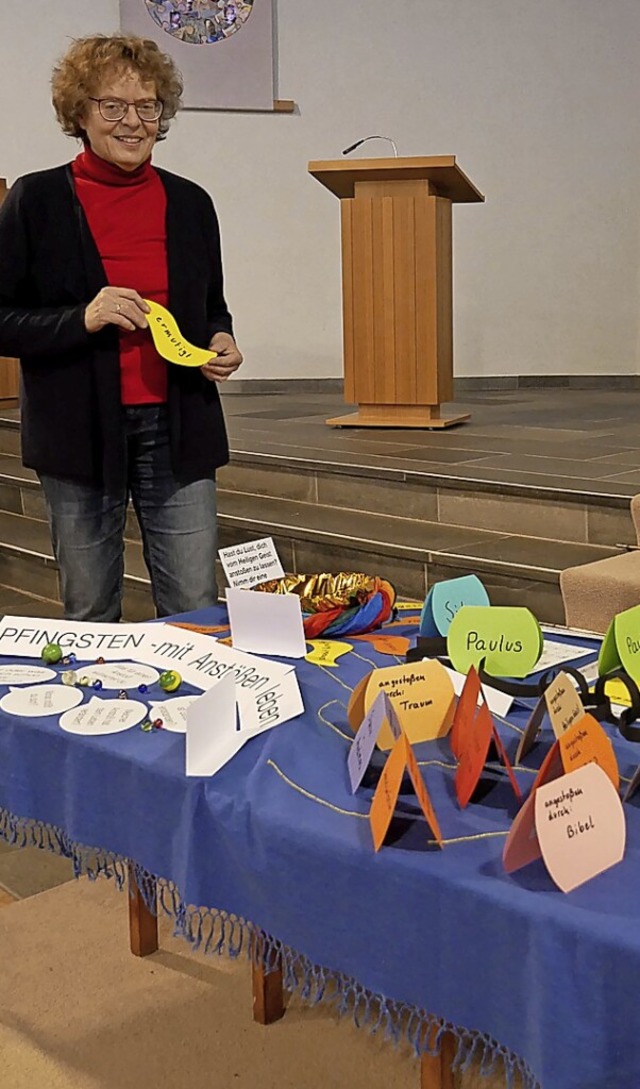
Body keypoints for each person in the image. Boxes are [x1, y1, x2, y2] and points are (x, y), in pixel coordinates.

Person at [0, 34, 243, 622]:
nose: (133, 122)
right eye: (113, 106)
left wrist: (221, 339)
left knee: (195, 606)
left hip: (178, 423)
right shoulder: (36, 200)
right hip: (78, 431)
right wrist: (82, 318)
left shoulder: (191, 203)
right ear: (80, 113)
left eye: (148, 106)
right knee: (90, 609)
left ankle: (189, 713)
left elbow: (212, 306)